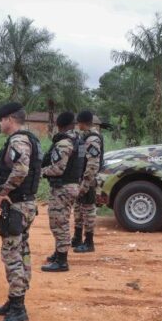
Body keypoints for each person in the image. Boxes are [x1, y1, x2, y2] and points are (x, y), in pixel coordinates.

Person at [0, 102, 42, 321]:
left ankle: (18, 308)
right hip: (26, 203)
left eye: (1, 119)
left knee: (11, 254)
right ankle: (14, 299)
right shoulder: (30, 138)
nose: (0, 123)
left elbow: (20, 170)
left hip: (18, 204)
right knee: (22, 251)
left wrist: (4, 192)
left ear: (9, 119)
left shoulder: (18, 140)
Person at [41, 111, 84, 272]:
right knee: (61, 220)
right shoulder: (78, 141)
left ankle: (62, 261)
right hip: (71, 185)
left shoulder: (65, 143)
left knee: (59, 222)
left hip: (63, 188)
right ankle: (59, 252)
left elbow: (58, 168)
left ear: (60, 126)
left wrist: (40, 172)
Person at [72, 110, 104, 253]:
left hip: (88, 180)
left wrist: (86, 182)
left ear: (82, 122)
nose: (77, 125)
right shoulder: (84, 136)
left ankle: (89, 242)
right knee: (78, 209)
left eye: (78, 122)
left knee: (88, 211)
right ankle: (77, 238)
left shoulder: (92, 139)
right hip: (80, 178)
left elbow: (92, 164)